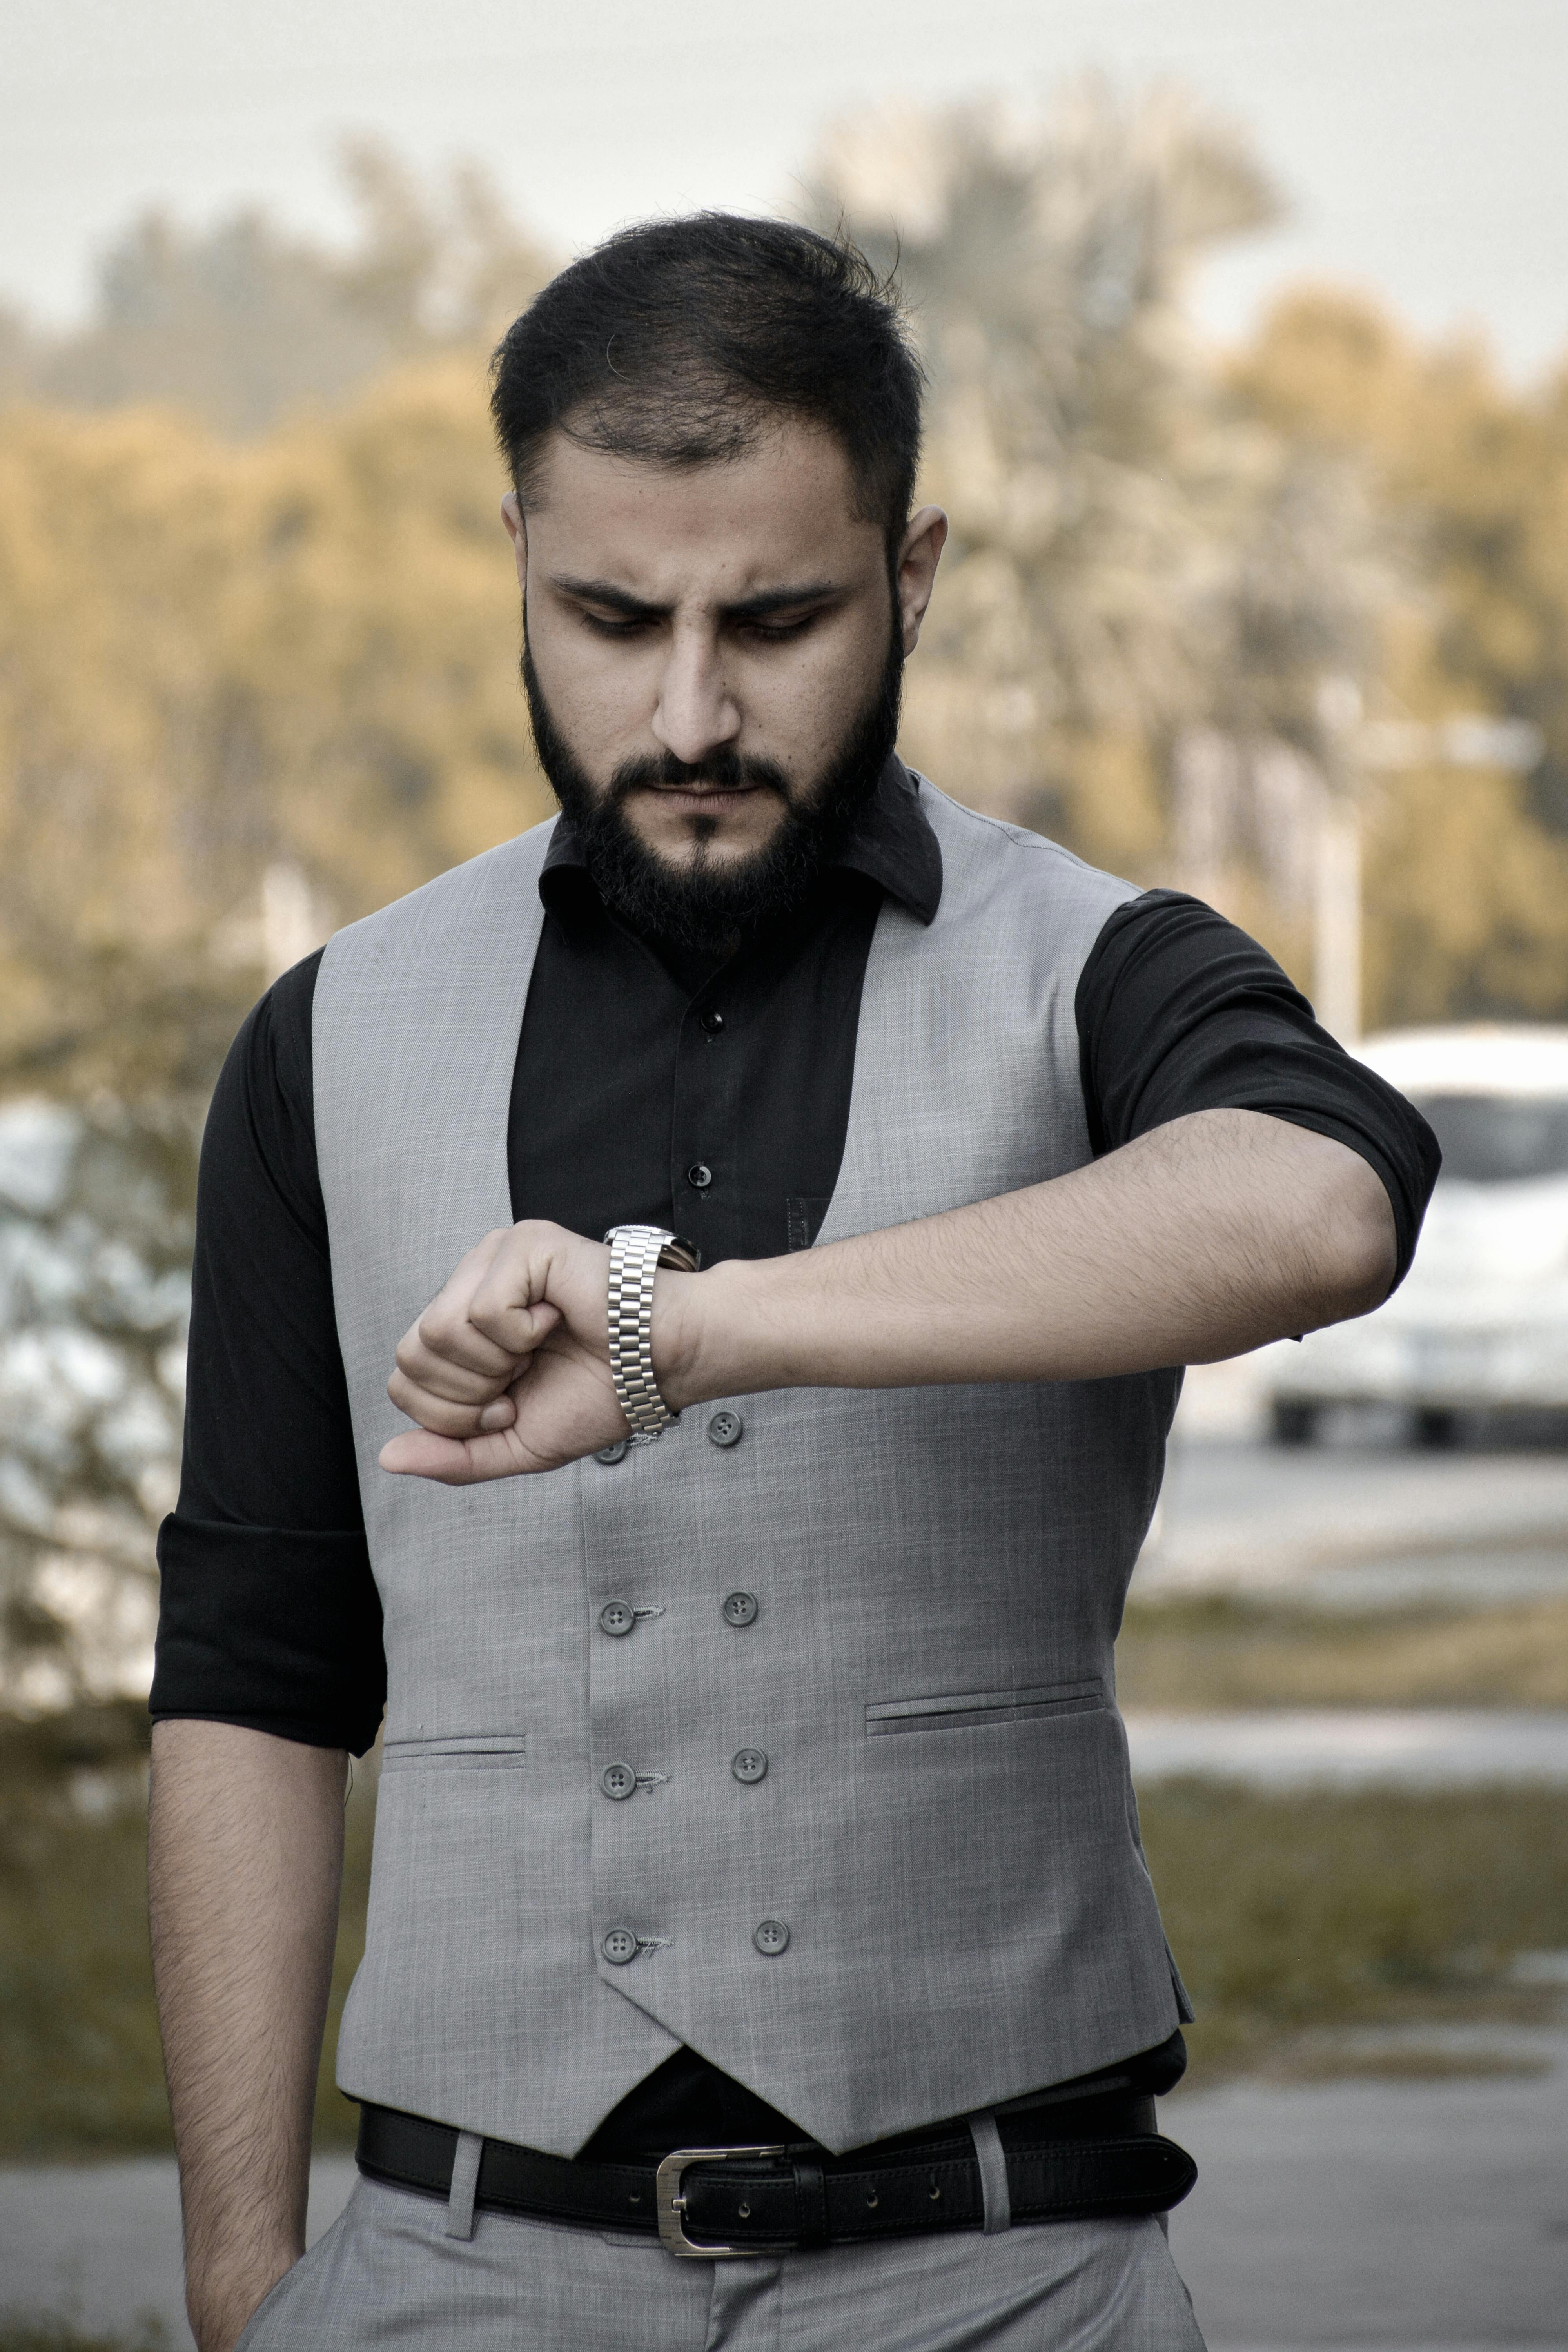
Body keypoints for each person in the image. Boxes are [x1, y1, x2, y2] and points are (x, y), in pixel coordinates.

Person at [148, 214, 1438, 2352]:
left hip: (1006, 2271)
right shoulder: (328, 1031)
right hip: (449, 2284)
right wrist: (237, 2285)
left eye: (777, 619)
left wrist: (688, 1329)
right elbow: (255, 1672)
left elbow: (1324, 1207)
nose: (690, 711)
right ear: (518, 561)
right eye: (608, 617)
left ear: (910, 574)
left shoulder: (1097, 965)